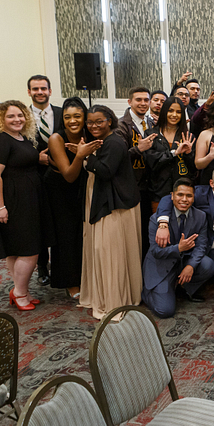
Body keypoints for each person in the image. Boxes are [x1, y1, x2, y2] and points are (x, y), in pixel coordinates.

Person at [0, 100, 54, 310]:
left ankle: (21, 289)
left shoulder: (22, 138)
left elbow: (21, 161)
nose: (17, 119)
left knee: (16, 249)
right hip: (10, 201)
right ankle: (20, 293)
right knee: (30, 249)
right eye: (11, 116)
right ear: (0, 119)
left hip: (28, 198)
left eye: (20, 115)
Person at [79, 105, 143, 320]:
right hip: (108, 198)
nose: (94, 126)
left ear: (109, 120)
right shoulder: (102, 142)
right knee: (105, 250)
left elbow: (105, 171)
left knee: (109, 252)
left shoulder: (114, 141)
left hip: (114, 205)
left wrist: (86, 157)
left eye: (99, 121)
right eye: (90, 122)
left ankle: (114, 301)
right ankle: (111, 294)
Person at [45, 98, 101, 298]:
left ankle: (86, 276)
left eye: (77, 116)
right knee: (66, 236)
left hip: (84, 187)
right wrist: (81, 155)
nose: (73, 121)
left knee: (83, 233)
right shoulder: (56, 139)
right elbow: (69, 175)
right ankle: (70, 282)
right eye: (67, 117)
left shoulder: (88, 134)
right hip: (61, 190)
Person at [142, 179, 214, 318]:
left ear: (193, 198)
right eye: (180, 195)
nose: (184, 199)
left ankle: (182, 288)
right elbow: (156, 252)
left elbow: (201, 245)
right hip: (162, 266)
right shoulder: (156, 220)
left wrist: (191, 266)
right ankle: (150, 292)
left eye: (189, 196)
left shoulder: (200, 216)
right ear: (172, 196)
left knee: (208, 265)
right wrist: (179, 248)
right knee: (165, 311)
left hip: (183, 262)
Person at [27, 74, 62, 286]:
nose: (40, 92)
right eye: (35, 89)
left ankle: (60, 264)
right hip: (34, 177)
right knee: (39, 222)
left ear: (50, 91)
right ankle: (42, 267)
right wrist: (34, 158)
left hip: (60, 176)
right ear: (29, 92)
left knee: (58, 221)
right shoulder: (22, 116)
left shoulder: (60, 113)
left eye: (43, 88)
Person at [115, 86, 157, 256]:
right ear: (129, 102)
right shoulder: (121, 125)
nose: (142, 103)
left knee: (148, 231)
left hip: (150, 185)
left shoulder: (151, 122)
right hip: (131, 186)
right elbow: (117, 157)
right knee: (134, 233)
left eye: (146, 100)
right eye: (138, 100)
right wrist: (138, 149)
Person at [144, 97, 195, 210]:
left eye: (178, 112)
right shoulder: (151, 134)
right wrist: (173, 153)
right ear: (164, 112)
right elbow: (151, 162)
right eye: (170, 111)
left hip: (183, 193)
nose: (174, 115)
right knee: (160, 224)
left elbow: (194, 169)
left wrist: (188, 154)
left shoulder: (188, 136)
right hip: (158, 191)